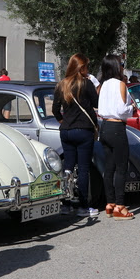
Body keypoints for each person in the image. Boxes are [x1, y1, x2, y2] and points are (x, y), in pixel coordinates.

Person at [51, 53, 99, 218]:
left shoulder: (61, 85)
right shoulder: (86, 83)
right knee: (84, 169)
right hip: (84, 130)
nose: (88, 69)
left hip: (66, 130)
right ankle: (83, 206)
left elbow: (55, 110)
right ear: (81, 67)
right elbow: (96, 103)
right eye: (86, 66)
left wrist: (62, 121)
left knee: (68, 168)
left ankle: (66, 204)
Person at [97, 54, 135, 220]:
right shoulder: (120, 84)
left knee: (109, 167)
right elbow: (121, 110)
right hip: (116, 127)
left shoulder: (103, 85)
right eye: (121, 64)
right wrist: (132, 107)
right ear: (116, 66)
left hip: (104, 126)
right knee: (121, 168)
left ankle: (110, 203)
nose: (122, 66)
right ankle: (120, 206)